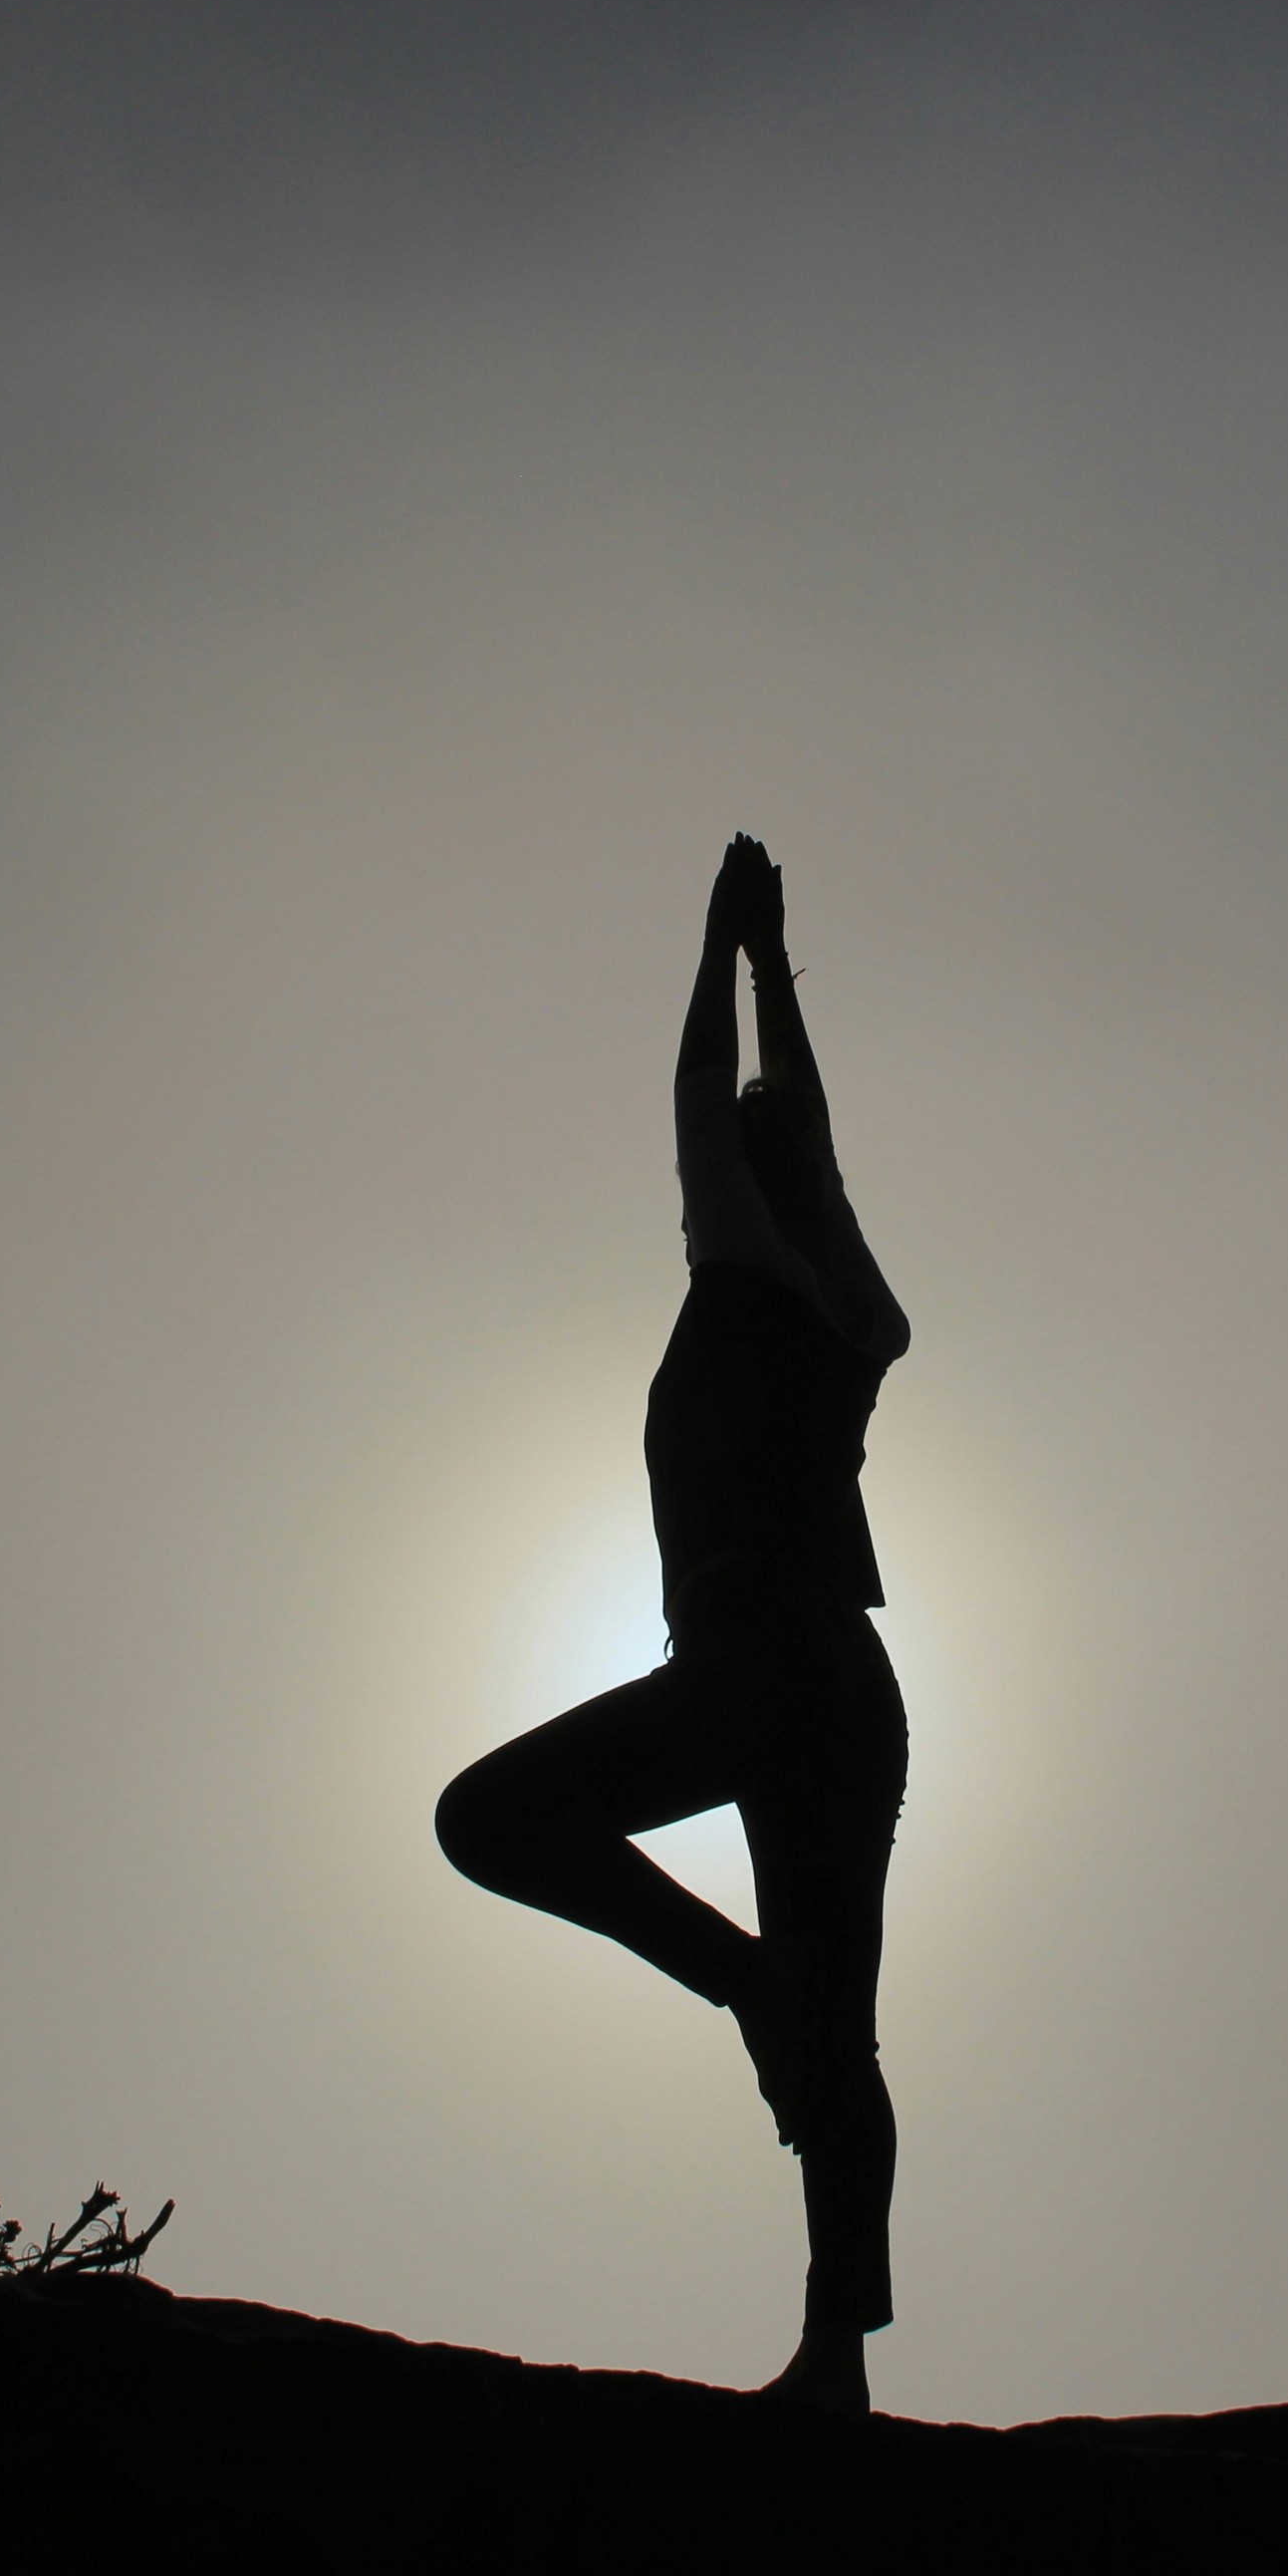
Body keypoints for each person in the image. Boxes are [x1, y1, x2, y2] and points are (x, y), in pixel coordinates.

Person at [436, 832, 913, 2416]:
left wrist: (723, 956)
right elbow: (813, 1138)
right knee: (844, 2021)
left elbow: (720, 1110)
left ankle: (742, 1988)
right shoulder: (856, 1315)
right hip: (852, 1683)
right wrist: (780, 968)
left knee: (490, 1818)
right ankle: (837, 2357)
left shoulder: (748, 1266)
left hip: (760, 1650)